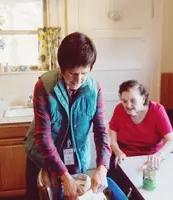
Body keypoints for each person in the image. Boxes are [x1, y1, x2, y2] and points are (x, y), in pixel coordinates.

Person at [24, 32, 128, 200]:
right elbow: (43, 137)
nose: (79, 80)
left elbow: (101, 131)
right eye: (73, 73)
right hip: (42, 158)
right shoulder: (43, 86)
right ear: (62, 67)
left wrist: (102, 167)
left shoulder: (95, 89)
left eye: (84, 73)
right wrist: (64, 176)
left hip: (75, 158)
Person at [109, 80, 173, 169]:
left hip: (151, 159)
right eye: (124, 101)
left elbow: (171, 141)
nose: (128, 105)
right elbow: (112, 139)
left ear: (143, 99)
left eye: (133, 100)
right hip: (125, 159)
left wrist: (159, 155)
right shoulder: (119, 109)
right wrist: (118, 152)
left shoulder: (157, 111)